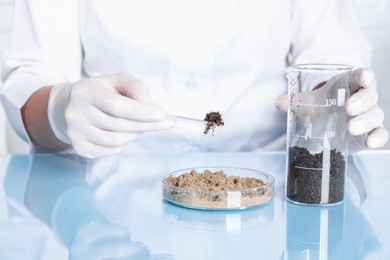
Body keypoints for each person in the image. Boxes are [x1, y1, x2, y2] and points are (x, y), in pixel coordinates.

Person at [1, 0, 388, 158]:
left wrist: (333, 111)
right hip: (105, 191)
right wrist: (59, 109)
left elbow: (328, 66)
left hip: (271, 189)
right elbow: (29, 81)